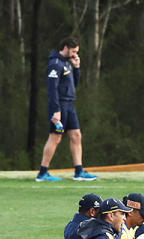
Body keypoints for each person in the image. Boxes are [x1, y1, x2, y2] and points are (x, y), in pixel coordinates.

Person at [36, 37, 98, 182]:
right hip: (60, 106)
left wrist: (76, 68)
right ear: (65, 47)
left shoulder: (67, 64)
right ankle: (42, 173)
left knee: (76, 135)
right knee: (55, 137)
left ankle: (79, 171)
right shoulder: (55, 64)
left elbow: (73, 85)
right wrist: (55, 110)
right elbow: (52, 90)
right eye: (74, 51)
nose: (75, 54)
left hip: (70, 105)